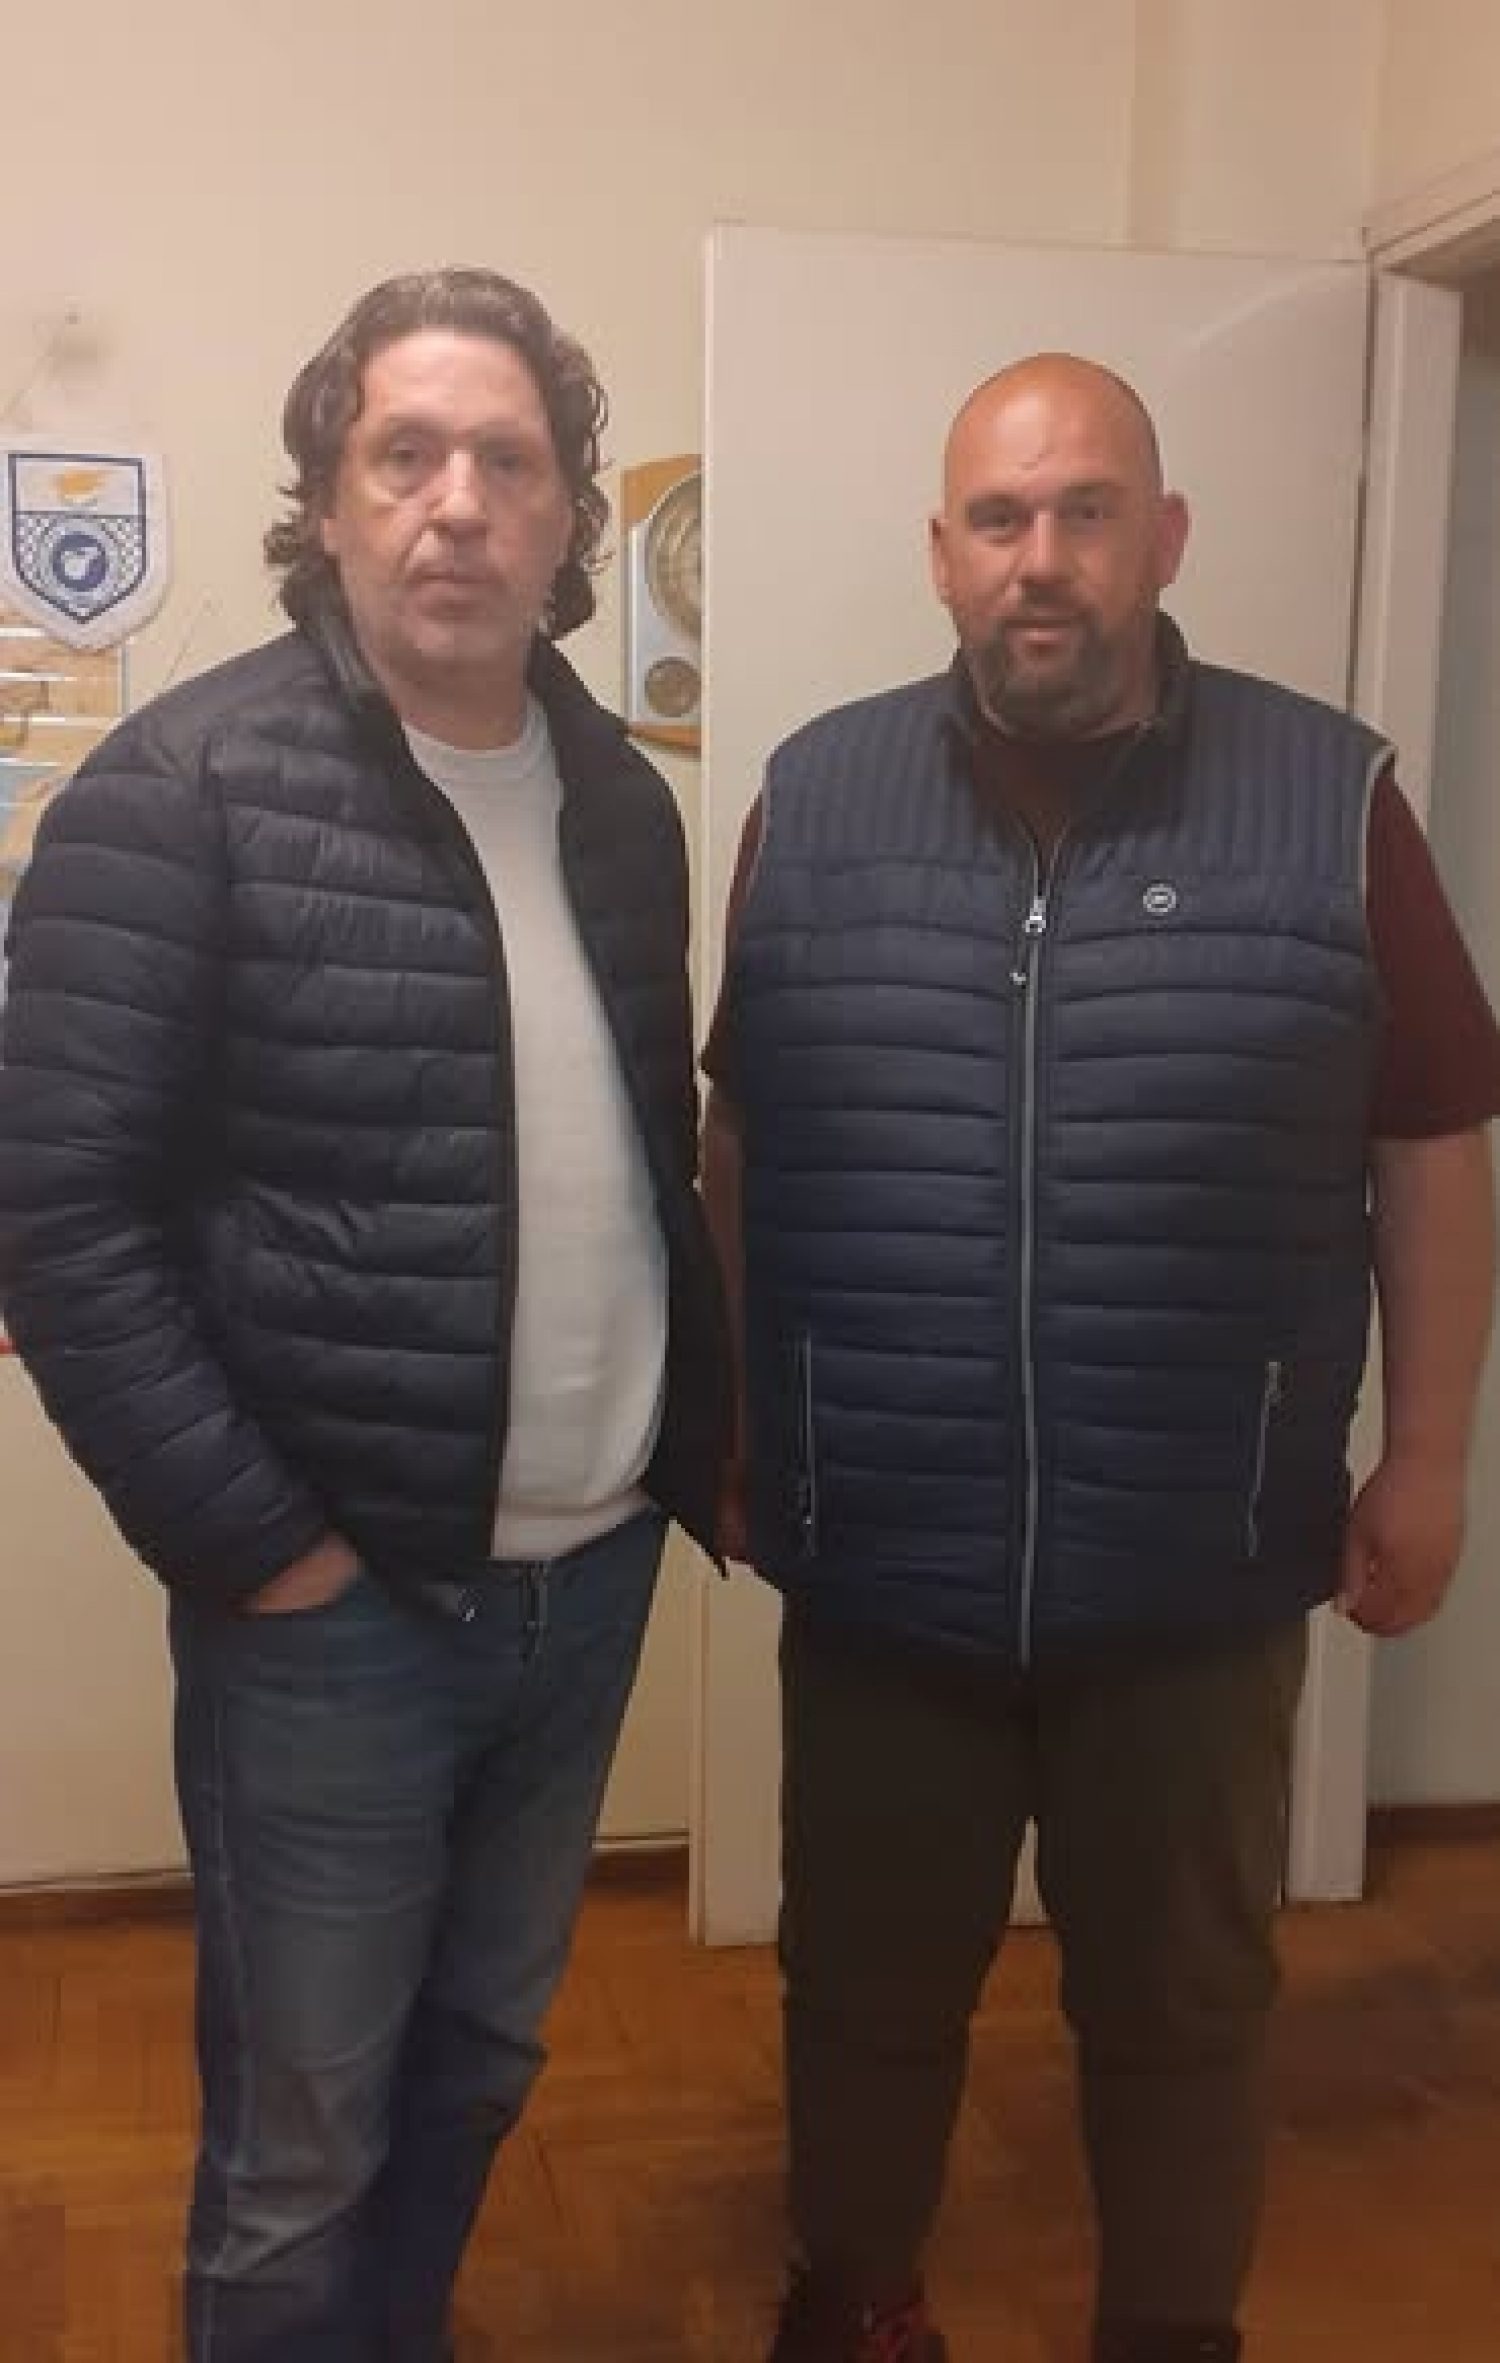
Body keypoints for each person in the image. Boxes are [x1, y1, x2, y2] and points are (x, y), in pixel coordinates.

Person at [703, 353, 1500, 2363]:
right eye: (999, 518)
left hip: (1196, 1572)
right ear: (941, 554)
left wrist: (1427, 1457)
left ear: (1166, 539)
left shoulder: (1334, 801)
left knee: (1184, 2007)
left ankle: (1169, 2332)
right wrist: (732, 1409)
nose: (1039, 559)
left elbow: (1431, 1138)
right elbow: (743, 1135)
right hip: (884, 1559)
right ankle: (857, 2306)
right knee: (862, 1990)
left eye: (1085, 512)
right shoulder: (813, 795)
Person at [0, 268, 730, 2363]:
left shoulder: (622, 805)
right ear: (325, 500)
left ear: (569, 514)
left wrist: (690, 1456)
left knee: (483, 2057)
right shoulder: (180, 790)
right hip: (337, 1614)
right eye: (403, 454)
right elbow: (57, 1218)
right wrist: (264, 1551)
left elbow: (641, 1159)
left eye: (508, 458)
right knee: (300, 2142)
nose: (457, 502)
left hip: (588, 1580)